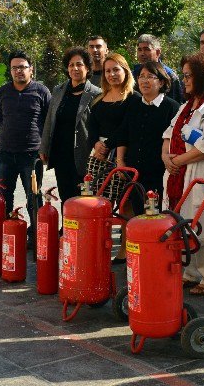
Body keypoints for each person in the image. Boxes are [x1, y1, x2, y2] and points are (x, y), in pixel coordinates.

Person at [162, 52, 204, 296]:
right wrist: (166, 157)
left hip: (203, 173)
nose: (185, 80)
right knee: (184, 224)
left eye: (189, 76)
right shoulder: (186, 106)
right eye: (184, 76)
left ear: (203, 76)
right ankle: (191, 272)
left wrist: (177, 161)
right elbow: (169, 133)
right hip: (179, 174)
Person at [87, 53, 141, 264]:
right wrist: (96, 144)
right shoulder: (99, 99)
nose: (112, 74)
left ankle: (125, 250)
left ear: (125, 71)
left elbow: (125, 129)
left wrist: (109, 146)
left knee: (125, 204)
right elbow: (91, 128)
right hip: (98, 155)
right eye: (108, 70)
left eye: (116, 69)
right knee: (98, 202)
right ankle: (99, 245)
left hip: (122, 156)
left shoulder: (133, 98)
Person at [0, 50, 51, 244]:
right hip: (6, 154)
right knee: (3, 196)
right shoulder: (3, 91)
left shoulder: (41, 91)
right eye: (15, 68)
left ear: (31, 69)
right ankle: (7, 233)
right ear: (10, 71)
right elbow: (0, 119)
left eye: (23, 67)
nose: (19, 71)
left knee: (33, 197)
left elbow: (48, 122)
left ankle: (36, 237)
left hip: (31, 155)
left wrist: (44, 149)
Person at [39, 47, 102, 207]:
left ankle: (82, 231)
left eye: (79, 64)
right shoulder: (59, 90)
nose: (75, 68)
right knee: (65, 196)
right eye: (71, 65)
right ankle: (67, 230)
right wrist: (44, 147)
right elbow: (49, 120)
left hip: (85, 155)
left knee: (83, 199)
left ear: (87, 68)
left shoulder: (96, 93)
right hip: (61, 155)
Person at [114, 61, 180, 213]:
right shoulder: (134, 104)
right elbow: (123, 134)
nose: (144, 80)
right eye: (141, 76)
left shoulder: (172, 107)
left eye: (150, 76)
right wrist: (120, 162)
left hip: (159, 174)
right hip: (134, 173)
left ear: (161, 81)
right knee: (138, 215)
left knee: (157, 218)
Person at [132, 34, 183, 103]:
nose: (142, 53)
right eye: (139, 50)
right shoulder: (133, 74)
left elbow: (176, 104)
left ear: (158, 52)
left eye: (147, 49)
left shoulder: (169, 75)